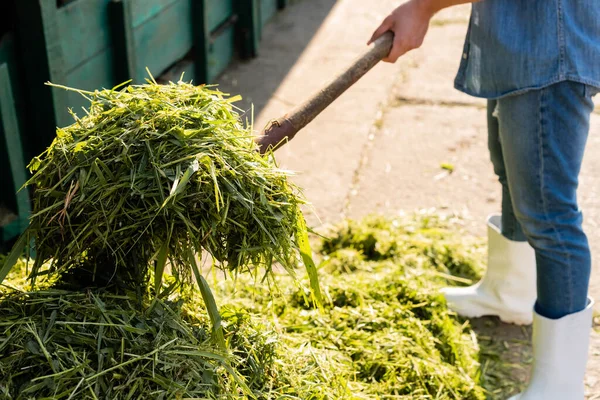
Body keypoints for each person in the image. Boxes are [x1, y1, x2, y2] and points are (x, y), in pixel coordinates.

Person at [370, 1, 599, 399]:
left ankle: (560, 388)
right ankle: (509, 292)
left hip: (549, 49)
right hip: (523, 40)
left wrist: (423, 8)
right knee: (514, 175)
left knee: (549, 213)